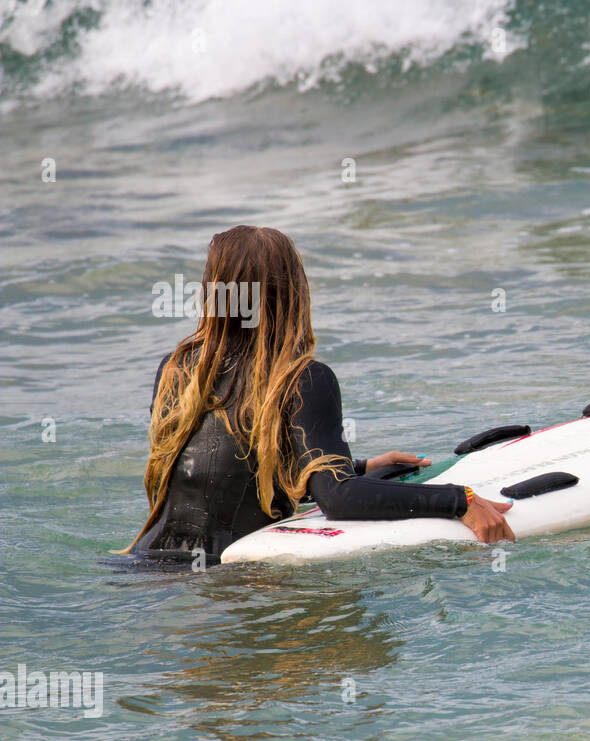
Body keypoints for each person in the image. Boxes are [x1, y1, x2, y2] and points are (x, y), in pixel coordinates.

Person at [125, 225, 513, 565]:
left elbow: (219, 477)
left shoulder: (177, 370)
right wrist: (459, 501)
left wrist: (354, 467)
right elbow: (339, 499)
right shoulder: (304, 378)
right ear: (291, 292)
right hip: (228, 584)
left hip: (145, 568)